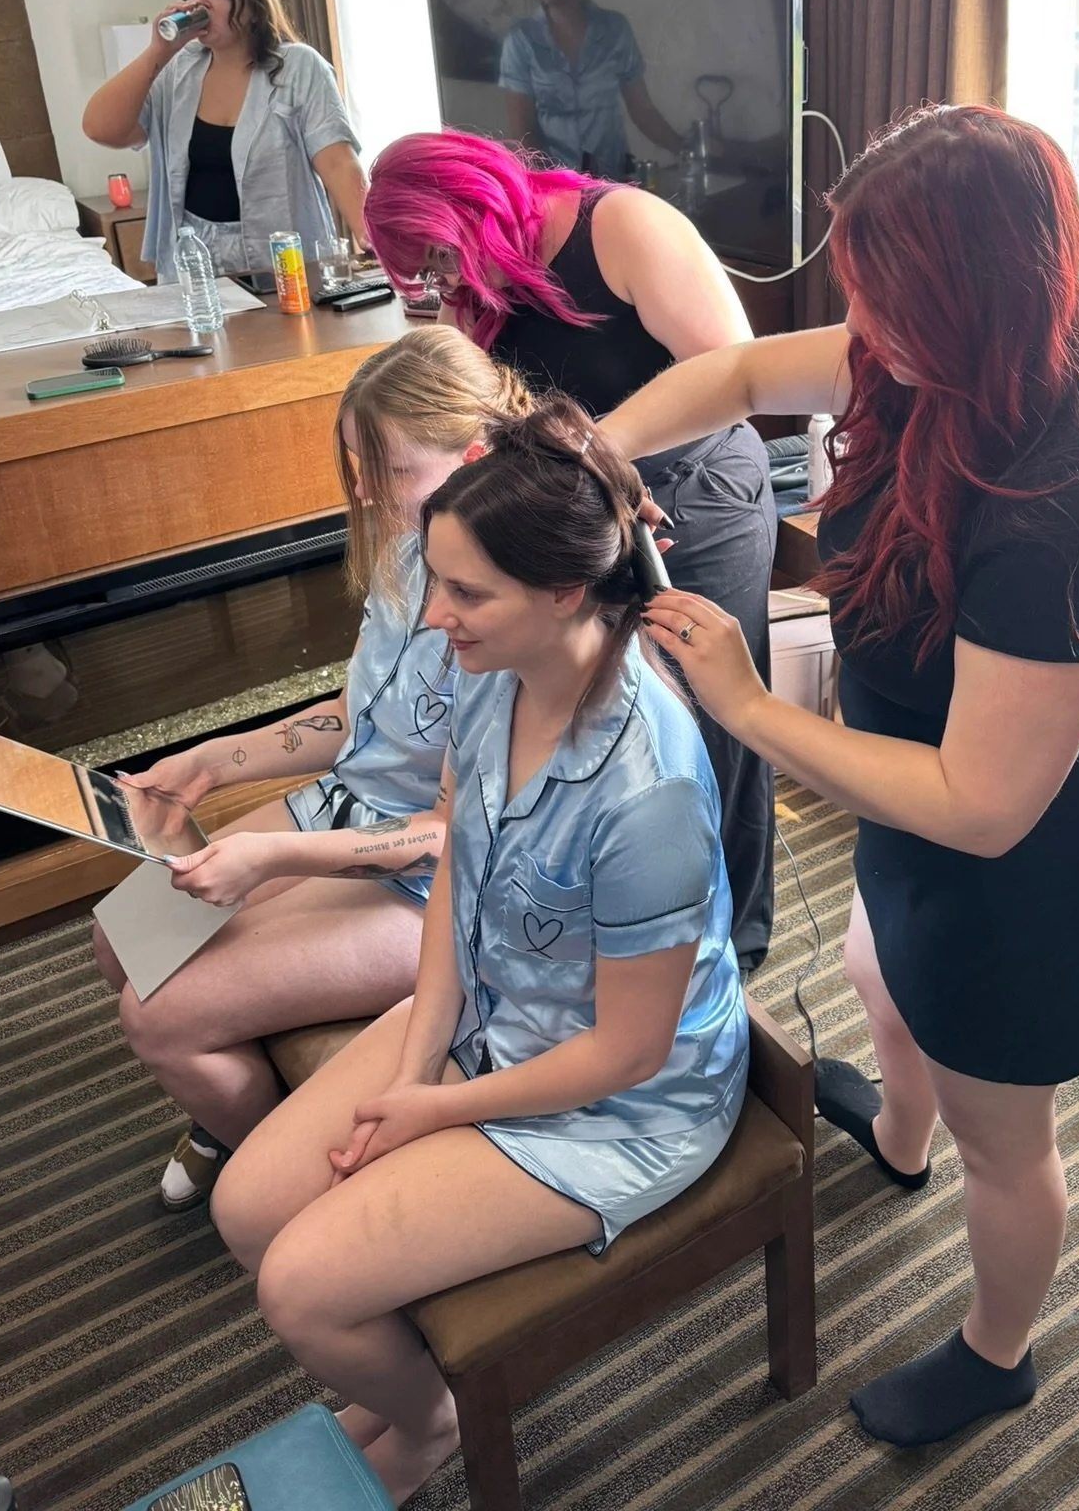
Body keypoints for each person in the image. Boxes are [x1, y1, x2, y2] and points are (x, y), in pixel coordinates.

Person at [596, 105, 1079, 1449]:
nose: (862, 332)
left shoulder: (1076, 515)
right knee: (876, 973)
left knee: (1007, 1139)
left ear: (981, 294)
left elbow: (982, 806)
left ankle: (997, 1353)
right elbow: (738, 379)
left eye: (886, 301)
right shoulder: (923, 363)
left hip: (1024, 880)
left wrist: (743, 702)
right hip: (907, 800)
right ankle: (901, 1139)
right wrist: (596, 453)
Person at [210, 397, 748, 1506]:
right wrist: (414, 1062)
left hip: (619, 1106)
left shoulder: (645, 788)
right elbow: (455, 865)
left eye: (466, 591)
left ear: (564, 591)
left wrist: (434, 1110)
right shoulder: (492, 677)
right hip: (496, 1015)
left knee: (303, 1288)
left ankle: (427, 1419)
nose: (437, 614)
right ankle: (412, 1380)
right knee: (248, 1209)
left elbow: (628, 1054)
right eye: (437, 579)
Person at [91, 327, 529, 1209]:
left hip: (450, 885)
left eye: (388, 469)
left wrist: (276, 859)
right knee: (120, 937)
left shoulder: (515, 607)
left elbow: (451, 832)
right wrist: (218, 758)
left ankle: (274, 1172)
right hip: (357, 810)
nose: (365, 490)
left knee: (158, 1016)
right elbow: (363, 710)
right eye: (356, 467)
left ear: (475, 454)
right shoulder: (417, 539)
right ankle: (258, 1100)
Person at [364, 131, 779, 971]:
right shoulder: (478, 285)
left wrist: (599, 450)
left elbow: (739, 371)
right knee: (610, 722)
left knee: (711, 720)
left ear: (471, 204)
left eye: (439, 256)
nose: (440, 282)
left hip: (697, 493)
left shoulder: (622, 226)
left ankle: (734, 944)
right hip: (579, 513)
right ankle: (632, 932)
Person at [82, 0, 367, 281]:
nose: (200, 1)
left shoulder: (300, 67)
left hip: (281, 258)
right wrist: (158, 52)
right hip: (194, 262)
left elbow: (337, 161)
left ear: (255, 6)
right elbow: (100, 128)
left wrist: (372, 235)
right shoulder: (178, 69)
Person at [499, 0, 683, 180]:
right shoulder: (521, 40)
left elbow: (643, 111)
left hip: (613, 183)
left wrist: (686, 150)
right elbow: (522, 136)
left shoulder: (615, 29)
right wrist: (555, 191)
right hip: (555, 189)